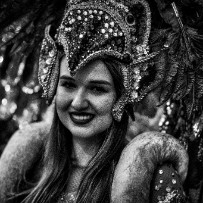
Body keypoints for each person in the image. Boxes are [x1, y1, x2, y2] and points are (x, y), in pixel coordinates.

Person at [0, 0, 189, 202]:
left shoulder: (151, 176)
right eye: (69, 85)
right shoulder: (28, 167)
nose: (78, 102)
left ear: (123, 95)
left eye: (97, 89)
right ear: (52, 84)